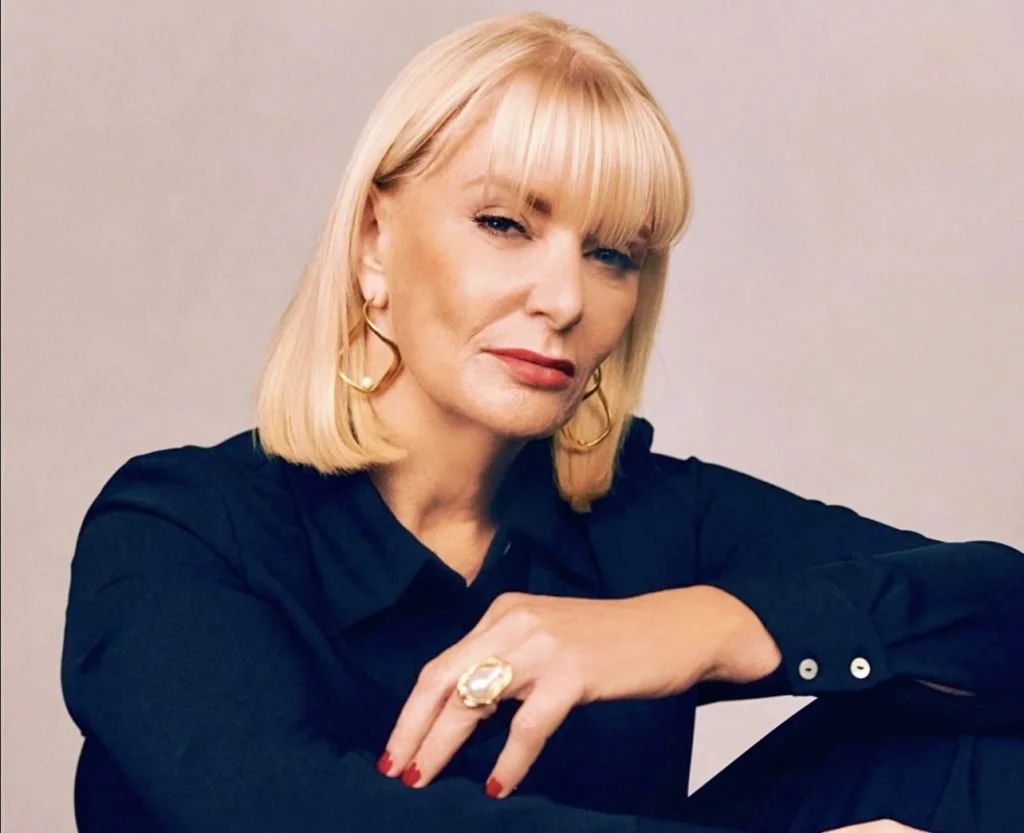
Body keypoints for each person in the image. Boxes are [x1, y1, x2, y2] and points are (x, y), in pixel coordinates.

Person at [61, 12, 1023, 833]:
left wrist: (699, 627)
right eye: (505, 224)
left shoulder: (650, 516)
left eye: (612, 253)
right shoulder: (177, 528)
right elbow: (280, 807)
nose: (564, 298)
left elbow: (995, 609)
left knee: (980, 735)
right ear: (373, 242)